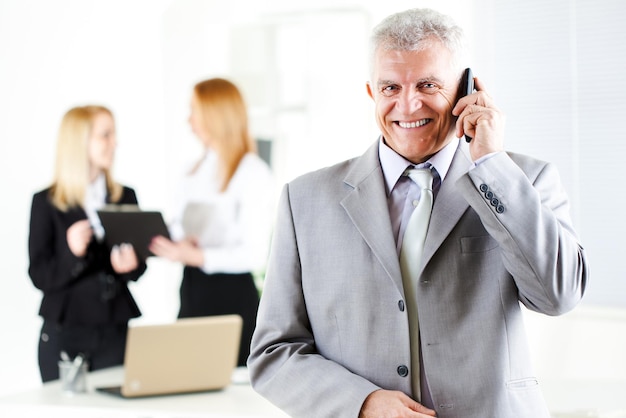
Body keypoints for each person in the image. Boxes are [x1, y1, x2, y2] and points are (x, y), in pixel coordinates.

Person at [247, 8, 588, 418]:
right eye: (391, 87)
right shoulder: (304, 200)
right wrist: (362, 403)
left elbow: (558, 296)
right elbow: (274, 353)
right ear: (372, 93)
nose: (408, 105)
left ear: (465, 90)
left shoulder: (523, 180)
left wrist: (491, 166)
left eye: (428, 84)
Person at [149, 77, 275, 368]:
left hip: (231, 297)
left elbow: (254, 254)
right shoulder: (191, 171)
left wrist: (195, 255)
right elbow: (180, 228)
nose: (188, 119)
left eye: (195, 110)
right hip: (193, 292)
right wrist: (174, 243)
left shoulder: (251, 172)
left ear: (215, 115)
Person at [28, 105, 147, 382]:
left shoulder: (125, 196)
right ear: (80, 143)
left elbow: (138, 268)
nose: (114, 143)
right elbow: (39, 275)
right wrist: (72, 253)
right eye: (105, 135)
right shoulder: (46, 202)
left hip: (114, 328)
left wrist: (129, 266)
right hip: (66, 331)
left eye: (113, 135)